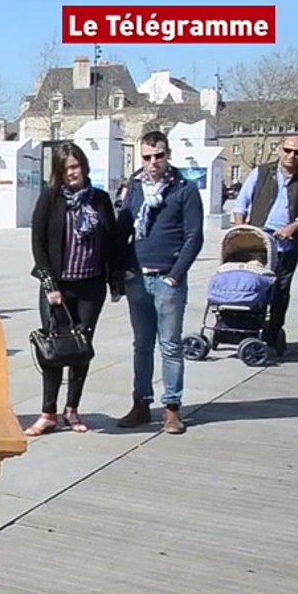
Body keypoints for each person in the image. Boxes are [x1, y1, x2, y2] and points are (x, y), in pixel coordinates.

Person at [25, 143, 127, 436]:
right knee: (54, 349)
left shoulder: (100, 200)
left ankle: (72, 409)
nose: (74, 172)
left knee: (81, 350)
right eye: (67, 168)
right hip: (58, 286)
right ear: (59, 172)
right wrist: (50, 285)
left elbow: (112, 243)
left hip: (91, 286)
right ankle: (48, 413)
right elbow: (39, 243)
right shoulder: (50, 199)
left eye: (77, 165)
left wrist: (115, 281)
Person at [115, 130, 204, 435]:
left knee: (170, 345)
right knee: (142, 345)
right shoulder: (135, 188)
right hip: (137, 278)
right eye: (147, 157)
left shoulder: (184, 190)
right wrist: (122, 270)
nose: (153, 163)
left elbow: (195, 237)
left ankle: (172, 409)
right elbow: (123, 229)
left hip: (168, 279)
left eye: (158, 156)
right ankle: (141, 403)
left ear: (168, 155)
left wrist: (175, 274)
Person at [231, 135, 298, 355]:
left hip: (288, 245)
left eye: (297, 152)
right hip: (259, 242)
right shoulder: (261, 172)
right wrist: (241, 232)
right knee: (253, 287)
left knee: (281, 290)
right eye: (288, 150)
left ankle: (273, 333)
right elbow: (242, 203)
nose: (291, 155)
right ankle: (246, 330)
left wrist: (293, 227)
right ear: (280, 150)